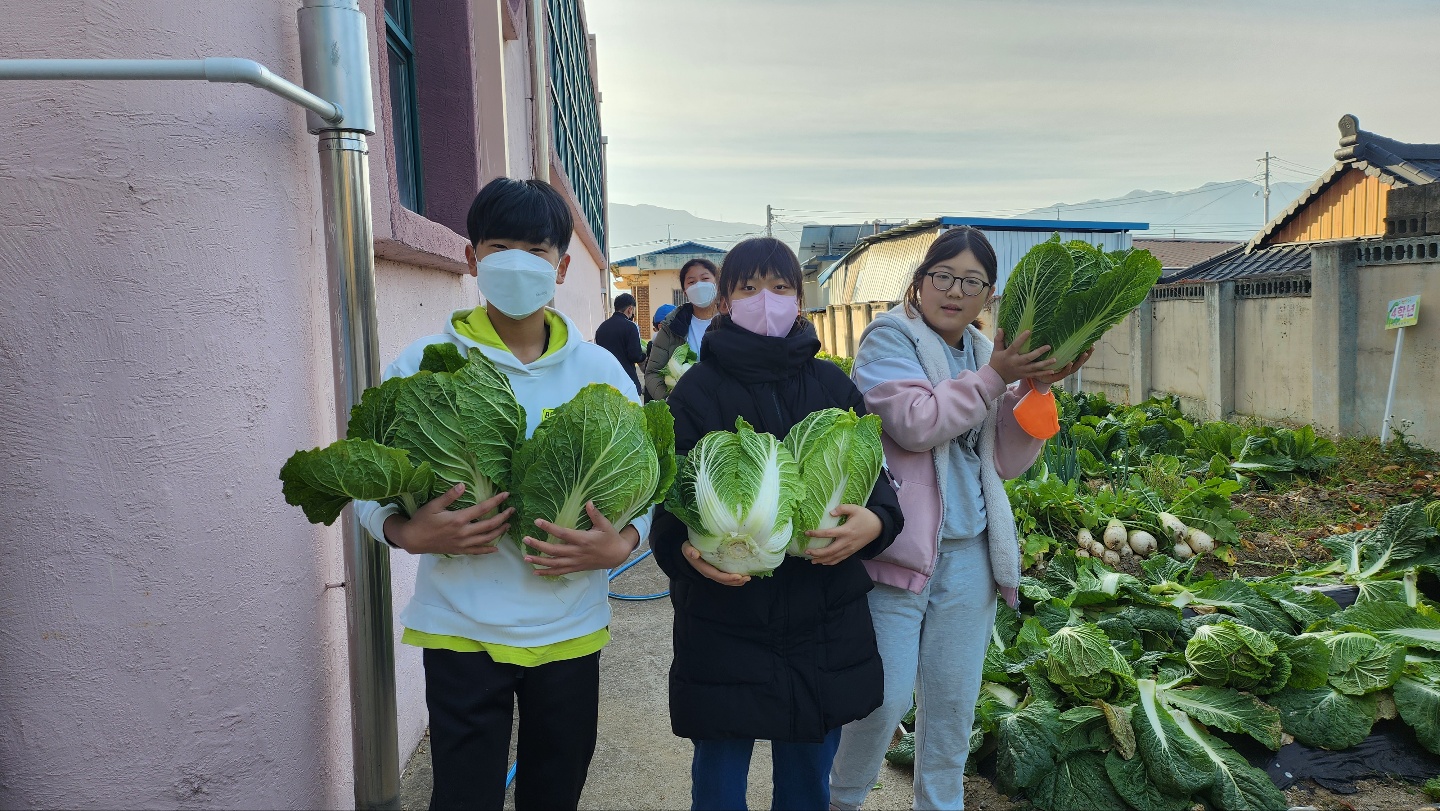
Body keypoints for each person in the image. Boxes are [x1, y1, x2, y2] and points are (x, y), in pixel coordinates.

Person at [353, 177, 651, 811]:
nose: (518, 264)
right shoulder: (422, 365)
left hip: (570, 627)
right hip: (458, 627)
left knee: (555, 793)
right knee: (463, 797)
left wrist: (623, 543)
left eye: (536, 251)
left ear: (561, 267)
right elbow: (364, 480)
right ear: (472, 257)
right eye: (499, 248)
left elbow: (649, 483)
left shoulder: (599, 371)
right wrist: (404, 532)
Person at [828, 227, 1091, 811]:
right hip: (898, 552)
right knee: (883, 699)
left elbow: (1005, 461)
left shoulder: (980, 352)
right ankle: (841, 798)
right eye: (943, 276)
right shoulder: (888, 339)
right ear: (920, 281)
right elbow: (915, 424)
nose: (954, 291)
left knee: (953, 704)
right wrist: (996, 377)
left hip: (971, 550)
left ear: (989, 295)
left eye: (972, 282)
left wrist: (1034, 388)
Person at [648, 237, 904, 811]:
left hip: (822, 619)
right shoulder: (696, 391)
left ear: (800, 300)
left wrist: (876, 524)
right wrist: (680, 552)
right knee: (718, 783)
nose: (766, 299)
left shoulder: (833, 386)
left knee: (808, 784)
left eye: (780, 287)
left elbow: (879, 484)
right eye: (749, 288)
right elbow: (668, 501)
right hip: (724, 621)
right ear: (725, 301)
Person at [642, 257, 719, 401]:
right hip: (686, 409)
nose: (699, 285)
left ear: (717, 283)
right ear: (685, 291)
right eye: (691, 282)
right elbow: (652, 372)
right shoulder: (671, 327)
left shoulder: (735, 320)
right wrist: (669, 400)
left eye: (705, 279)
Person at [595, 292, 645, 394]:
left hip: (607, 380)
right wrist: (643, 356)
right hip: (626, 379)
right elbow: (635, 356)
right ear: (630, 309)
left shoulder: (602, 327)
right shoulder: (631, 327)